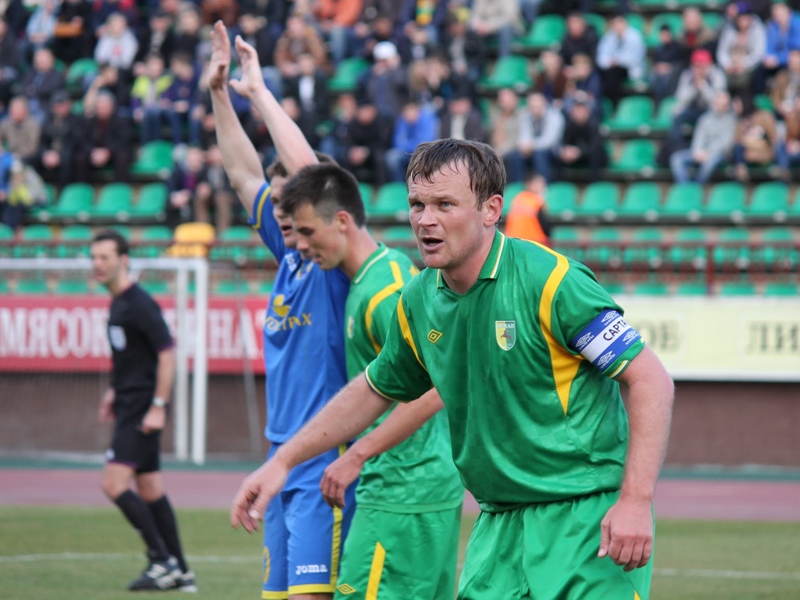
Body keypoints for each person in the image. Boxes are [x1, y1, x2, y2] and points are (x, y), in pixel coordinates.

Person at [231, 138, 675, 600]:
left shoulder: (552, 281)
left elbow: (650, 379)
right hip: (497, 526)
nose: (425, 219)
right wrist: (283, 461)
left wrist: (635, 499)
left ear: (491, 210)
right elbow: (374, 389)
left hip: (586, 521)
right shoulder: (419, 299)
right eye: (417, 205)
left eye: (444, 204)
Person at [208, 22, 356, 600]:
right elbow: (243, 174)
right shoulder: (290, 257)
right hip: (280, 454)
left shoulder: (333, 263)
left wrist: (259, 92)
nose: (279, 214)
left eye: (291, 203)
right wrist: (219, 94)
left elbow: (309, 174)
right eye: (277, 206)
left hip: (324, 452)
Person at [277, 160, 464, 600]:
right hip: (414, 491)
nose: (300, 245)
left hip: (403, 493)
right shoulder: (374, 275)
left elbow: (437, 386)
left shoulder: (385, 293)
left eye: (307, 232)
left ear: (342, 221)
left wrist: (357, 454)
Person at [90, 229, 195, 592]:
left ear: (123, 260)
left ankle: (161, 561)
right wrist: (112, 391)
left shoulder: (139, 303)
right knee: (150, 488)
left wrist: (158, 407)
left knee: (113, 484)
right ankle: (182, 572)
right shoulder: (117, 303)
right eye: (94, 258)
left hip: (142, 410)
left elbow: (167, 354)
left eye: (104, 257)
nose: (97, 264)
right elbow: (131, 359)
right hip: (128, 404)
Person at [670, 91, 736, 184]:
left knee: (710, 162)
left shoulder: (731, 120)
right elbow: (698, 137)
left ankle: (698, 187)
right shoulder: (705, 118)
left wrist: (708, 152)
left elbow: (726, 143)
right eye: (719, 101)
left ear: (728, 104)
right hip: (701, 152)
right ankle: (685, 188)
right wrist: (697, 151)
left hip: (719, 154)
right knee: (677, 159)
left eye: (724, 103)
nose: (721, 104)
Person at [504, 173, 552, 245]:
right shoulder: (536, 201)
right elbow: (545, 226)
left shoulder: (517, 198)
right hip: (534, 244)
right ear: (529, 184)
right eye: (539, 183)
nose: (542, 187)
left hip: (514, 243)